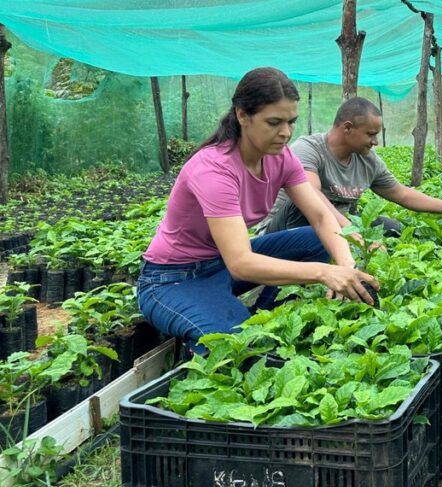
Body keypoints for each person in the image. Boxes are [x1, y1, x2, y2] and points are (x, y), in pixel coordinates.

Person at [136, 67, 377, 353]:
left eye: (291, 122)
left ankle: (261, 315)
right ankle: (226, 327)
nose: (286, 133)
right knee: (234, 346)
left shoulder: (281, 158)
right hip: (174, 280)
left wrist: (346, 266)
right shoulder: (214, 169)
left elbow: (321, 216)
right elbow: (240, 262)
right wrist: (324, 273)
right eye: (274, 122)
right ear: (242, 115)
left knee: (315, 240)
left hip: (220, 266)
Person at [255, 97, 442, 238]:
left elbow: (401, 193)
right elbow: (311, 195)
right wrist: (352, 233)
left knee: (391, 228)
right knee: (306, 205)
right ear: (348, 128)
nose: (375, 142)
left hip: (337, 228)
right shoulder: (309, 149)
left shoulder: (367, 159)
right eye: (370, 134)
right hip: (282, 231)